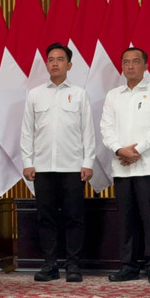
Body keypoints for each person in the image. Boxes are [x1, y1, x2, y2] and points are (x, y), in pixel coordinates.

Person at [20, 42, 95, 283]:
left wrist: (88, 162)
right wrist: (28, 162)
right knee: (46, 217)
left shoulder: (80, 94)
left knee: (74, 217)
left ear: (69, 64)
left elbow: (88, 132)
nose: (54, 63)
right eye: (51, 59)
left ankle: (73, 265)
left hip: (72, 167)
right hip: (42, 168)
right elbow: (26, 132)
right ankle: (50, 264)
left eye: (60, 59)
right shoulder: (35, 94)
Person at [100, 48, 150, 284]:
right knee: (126, 219)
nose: (130, 66)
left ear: (146, 65)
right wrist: (121, 150)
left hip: (148, 167)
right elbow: (106, 129)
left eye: (136, 62)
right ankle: (128, 266)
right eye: (126, 62)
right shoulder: (113, 95)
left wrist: (136, 150)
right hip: (121, 167)